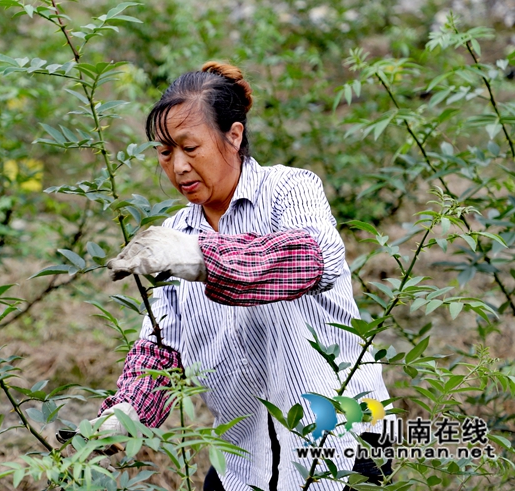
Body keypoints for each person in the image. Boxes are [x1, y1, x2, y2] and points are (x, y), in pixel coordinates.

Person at [91, 62, 393, 491]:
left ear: (233, 135)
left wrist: (196, 257)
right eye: (164, 151)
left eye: (189, 148)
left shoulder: (291, 190)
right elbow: (162, 349)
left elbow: (310, 259)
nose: (177, 167)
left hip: (344, 436)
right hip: (244, 456)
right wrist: (125, 415)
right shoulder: (173, 234)